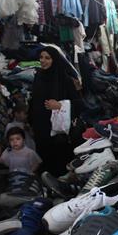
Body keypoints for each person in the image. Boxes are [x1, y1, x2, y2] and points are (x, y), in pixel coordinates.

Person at [30, 44, 82, 176]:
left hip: (59, 131)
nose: (43, 60)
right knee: (44, 157)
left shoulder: (65, 80)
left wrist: (60, 106)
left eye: (47, 58)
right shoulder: (38, 76)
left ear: (55, 60)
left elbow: (79, 104)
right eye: (41, 57)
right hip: (41, 127)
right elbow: (34, 101)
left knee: (59, 160)